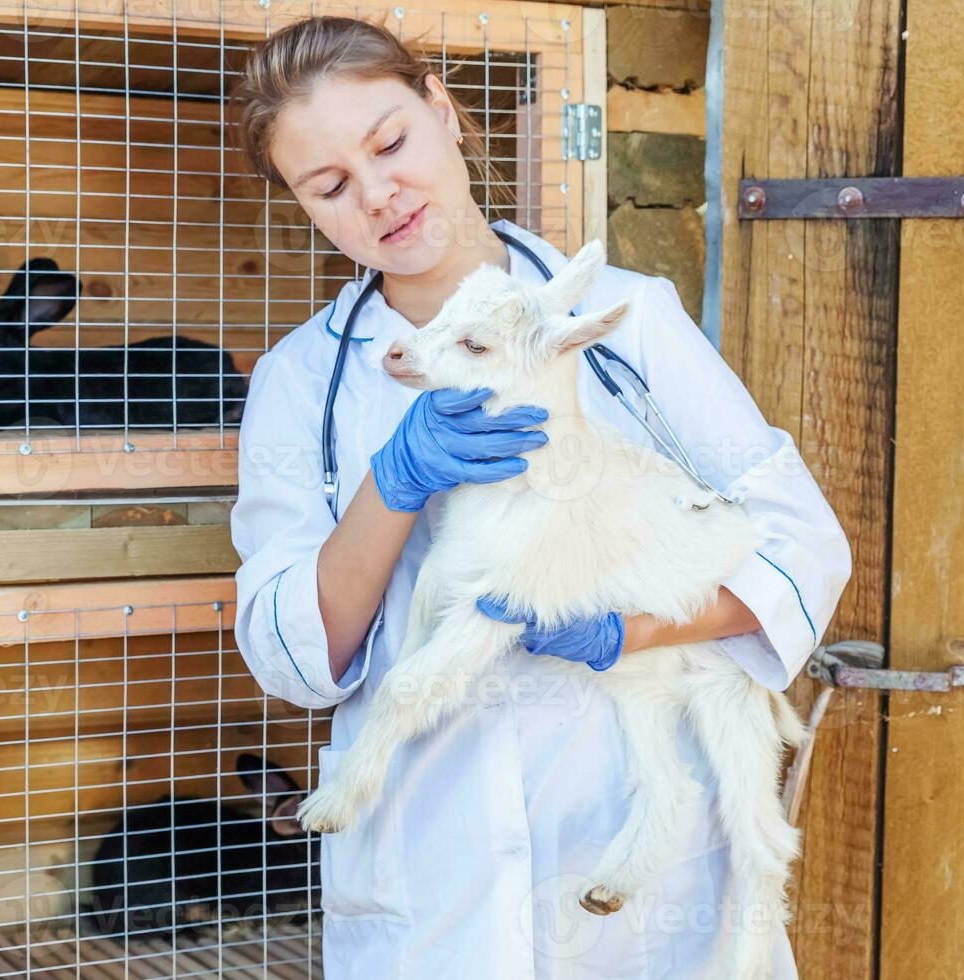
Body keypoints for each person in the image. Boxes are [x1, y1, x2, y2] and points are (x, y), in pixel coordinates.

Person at [226, 15, 851, 979]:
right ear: (304, 208)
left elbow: (800, 544)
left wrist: (631, 634)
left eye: (389, 142)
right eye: (330, 186)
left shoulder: (630, 320)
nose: (379, 193)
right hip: (436, 887)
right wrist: (396, 485)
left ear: (444, 110)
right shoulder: (299, 384)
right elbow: (291, 657)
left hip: (643, 884)